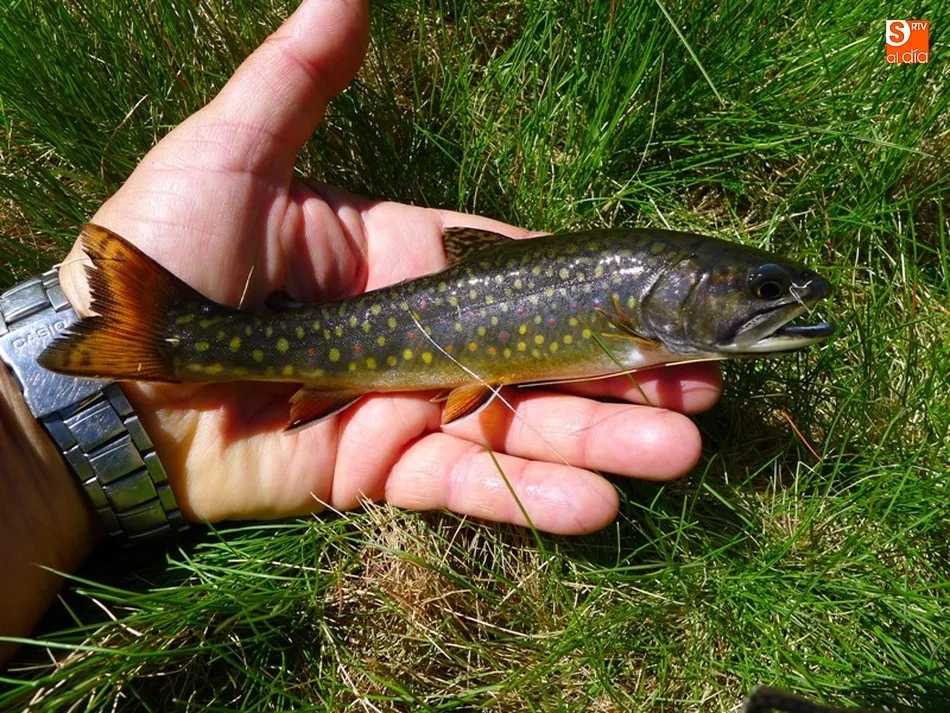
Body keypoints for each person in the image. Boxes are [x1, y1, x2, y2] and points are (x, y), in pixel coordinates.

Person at [0, 0, 721, 664]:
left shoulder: (639, 308)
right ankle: (166, 338)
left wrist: (36, 454)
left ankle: (148, 346)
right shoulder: (633, 317)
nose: (773, 303)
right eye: (760, 291)